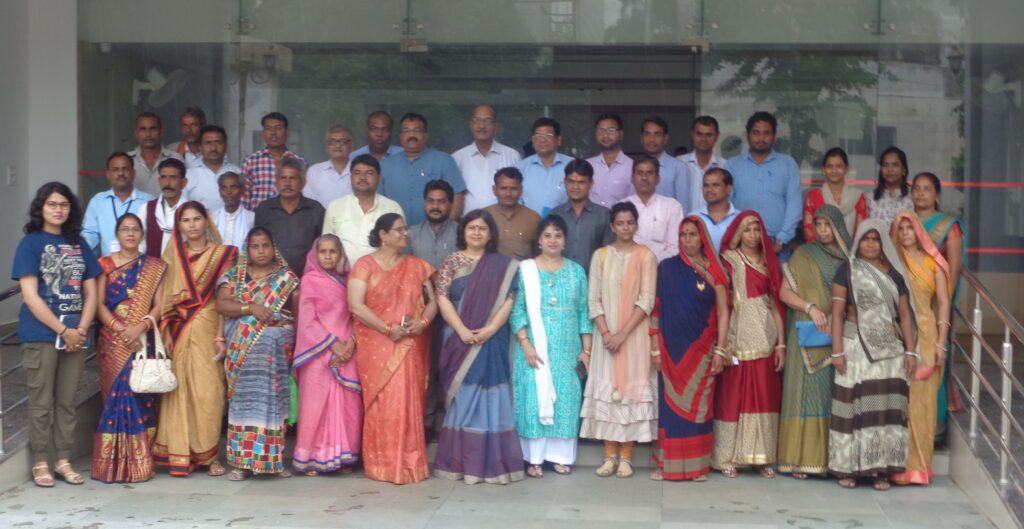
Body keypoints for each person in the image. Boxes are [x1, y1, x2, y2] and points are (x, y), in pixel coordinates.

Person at [13, 182, 101, 487]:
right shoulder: (30, 244)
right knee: (41, 403)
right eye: (52, 204)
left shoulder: (79, 244)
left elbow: (91, 292)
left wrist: (81, 329)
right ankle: (41, 462)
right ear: (41, 208)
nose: (58, 209)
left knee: (67, 400)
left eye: (64, 204)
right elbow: (30, 296)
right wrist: (63, 330)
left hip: (76, 334)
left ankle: (63, 460)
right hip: (40, 334)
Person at [433, 210, 524, 484]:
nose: (476, 233)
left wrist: (491, 329)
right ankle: (460, 464)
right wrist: (461, 330)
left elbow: (509, 300)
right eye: (471, 227)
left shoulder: (504, 265)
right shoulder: (452, 261)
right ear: (463, 231)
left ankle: (493, 465)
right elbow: (441, 297)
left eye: (482, 228)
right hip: (458, 338)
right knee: (463, 397)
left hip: (491, 339)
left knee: (491, 397)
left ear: (490, 234)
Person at [348, 213, 438, 484]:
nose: (405, 234)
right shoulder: (364, 265)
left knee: (407, 400)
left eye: (405, 229)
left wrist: (422, 323)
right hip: (377, 344)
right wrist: (387, 329)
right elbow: (356, 305)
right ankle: (381, 465)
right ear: (383, 235)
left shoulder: (418, 266)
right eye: (399, 230)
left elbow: (432, 302)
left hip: (409, 344)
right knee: (382, 404)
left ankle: (410, 464)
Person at [829, 219, 917, 491]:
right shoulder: (848, 270)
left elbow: (904, 316)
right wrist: (837, 351)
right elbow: (837, 314)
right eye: (865, 239)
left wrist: (910, 351)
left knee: (885, 408)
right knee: (852, 404)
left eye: (875, 239)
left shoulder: (895, 275)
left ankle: (880, 470)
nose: (870, 244)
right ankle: (849, 469)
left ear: (883, 243)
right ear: (858, 241)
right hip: (855, 345)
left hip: (890, 351)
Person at [152, 201, 238, 477]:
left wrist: (220, 336)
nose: (192, 225)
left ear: (206, 221)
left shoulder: (222, 255)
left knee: (209, 393)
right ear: (178, 225)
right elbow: (166, 298)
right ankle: (180, 454)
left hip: (209, 327)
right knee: (179, 392)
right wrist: (165, 332)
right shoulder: (171, 257)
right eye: (186, 220)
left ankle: (210, 456)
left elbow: (225, 297)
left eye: (196, 219)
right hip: (178, 331)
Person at [581, 202, 659, 479]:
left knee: (630, 395)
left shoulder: (646, 256)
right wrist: (606, 334)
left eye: (630, 222)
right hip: (605, 336)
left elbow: (647, 300)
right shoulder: (600, 256)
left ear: (636, 225)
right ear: (612, 226)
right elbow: (593, 300)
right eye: (620, 223)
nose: (625, 228)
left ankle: (626, 457)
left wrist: (622, 335)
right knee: (608, 393)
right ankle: (609, 456)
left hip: (634, 335)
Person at [510, 215, 592, 477]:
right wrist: (525, 344)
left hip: (568, 350)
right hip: (533, 348)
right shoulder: (526, 270)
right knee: (533, 398)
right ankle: (534, 458)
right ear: (539, 241)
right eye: (547, 235)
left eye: (558, 235)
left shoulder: (576, 271)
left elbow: (584, 313)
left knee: (566, 400)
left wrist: (586, 351)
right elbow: (517, 310)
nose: (553, 240)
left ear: (565, 240)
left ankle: (560, 456)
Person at [215, 227, 299, 480]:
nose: (261, 251)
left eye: (266, 245)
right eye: (255, 246)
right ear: (247, 250)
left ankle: (274, 462)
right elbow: (222, 305)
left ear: (274, 248)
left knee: (275, 402)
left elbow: (296, 315)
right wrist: (251, 308)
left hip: (275, 353)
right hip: (242, 351)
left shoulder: (286, 278)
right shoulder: (234, 276)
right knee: (243, 405)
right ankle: (241, 464)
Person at [650, 216, 730, 481]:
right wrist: (655, 349)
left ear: (702, 238)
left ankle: (697, 467)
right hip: (671, 350)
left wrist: (720, 350)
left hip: (704, 350)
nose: (687, 240)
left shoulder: (715, 272)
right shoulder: (667, 268)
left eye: (692, 234)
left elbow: (723, 313)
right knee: (671, 410)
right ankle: (667, 465)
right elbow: (656, 309)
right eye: (683, 234)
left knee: (699, 408)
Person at [91, 213, 167, 483]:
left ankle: (139, 463)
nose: (131, 233)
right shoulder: (104, 264)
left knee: (139, 398)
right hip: (113, 342)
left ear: (142, 234)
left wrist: (140, 327)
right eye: (125, 229)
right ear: (117, 234)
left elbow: (159, 305)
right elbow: (98, 303)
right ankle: (110, 465)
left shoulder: (155, 266)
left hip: (142, 340)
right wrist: (120, 329)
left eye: (135, 229)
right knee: (115, 398)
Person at [776, 204, 851, 479]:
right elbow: (784, 292)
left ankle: (831, 461)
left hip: (837, 334)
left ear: (838, 227)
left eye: (827, 225)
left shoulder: (849, 259)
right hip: (804, 332)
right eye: (817, 225)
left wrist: (836, 316)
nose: (822, 230)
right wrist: (811, 308)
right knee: (804, 394)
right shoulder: (804, 254)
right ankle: (799, 460)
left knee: (832, 395)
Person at [713, 210, 786, 478]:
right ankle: (726, 457)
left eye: (757, 230)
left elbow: (775, 305)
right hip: (736, 335)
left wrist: (781, 344)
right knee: (733, 396)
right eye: (747, 230)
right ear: (738, 233)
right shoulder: (729, 261)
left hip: (764, 336)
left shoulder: (769, 263)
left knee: (763, 396)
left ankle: (762, 457)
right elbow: (721, 304)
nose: (753, 235)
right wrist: (722, 343)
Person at [293, 235, 362, 476]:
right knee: (316, 406)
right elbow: (307, 321)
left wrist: (350, 344)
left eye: (333, 251)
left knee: (346, 405)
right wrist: (333, 345)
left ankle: (343, 457)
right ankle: (312, 459)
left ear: (341, 254)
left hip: (348, 350)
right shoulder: (310, 281)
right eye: (323, 251)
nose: (328, 256)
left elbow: (356, 315)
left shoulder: (350, 281)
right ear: (315, 254)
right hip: (317, 352)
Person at [890, 212, 950, 486]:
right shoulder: (892, 262)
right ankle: (895, 464)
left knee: (922, 402)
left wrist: (941, 342)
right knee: (899, 400)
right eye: (900, 228)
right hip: (897, 336)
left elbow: (944, 303)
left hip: (926, 335)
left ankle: (919, 467)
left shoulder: (932, 262)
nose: (905, 233)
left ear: (918, 231)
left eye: (909, 228)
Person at [912, 171, 965, 444]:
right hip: (909, 304)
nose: (920, 193)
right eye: (916, 188)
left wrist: (943, 304)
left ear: (937, 195)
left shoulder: (949, 226)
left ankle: (935, 426)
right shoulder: (905, 222)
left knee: (934, 361)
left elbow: (953, 269)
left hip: (937, 305)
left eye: (927, 189)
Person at [727, 112, 801, 259]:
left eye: (766, 133)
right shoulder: (732, 165)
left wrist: (782, 240)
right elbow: (727, 207)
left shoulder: (788, 164)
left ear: (774, 136)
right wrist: (736, 239)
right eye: (756, 133)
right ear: (748, 135)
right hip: (742, 246)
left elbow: (794, 207)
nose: (761, 138)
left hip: (778, 247)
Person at [380, 113, 466, 225]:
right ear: (400, 136)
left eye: (417, 130)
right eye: (406, 131)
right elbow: (377, 201)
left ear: (426, 135)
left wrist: (446, 230)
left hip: (436, 233)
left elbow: (457, 198)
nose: (411, 135)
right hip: (394, 233)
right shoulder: (385, 165)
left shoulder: (444, 161)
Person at [323, 154, 404, 263]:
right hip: (343, 273)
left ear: (378, 178)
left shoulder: (393, 208)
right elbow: (326, 245)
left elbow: (400, 247)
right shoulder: (335, 206)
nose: (362, 177)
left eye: (369, 173)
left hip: (383, 272)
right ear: (350, 177)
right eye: (357, 173)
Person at [253, 158, 325, 277]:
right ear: (276, 182)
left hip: (307, 278)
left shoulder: (315, 210)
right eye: (283, 178)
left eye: (293, 178)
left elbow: (322, 246)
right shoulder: (264, 209)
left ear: (303, 183)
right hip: (271, 280)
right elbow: (257, 245)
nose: (287, 183)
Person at [83, 152, 155, 257]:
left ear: (133, 173)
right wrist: (76, 252)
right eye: (115, 169)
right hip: (108, 264)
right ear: (108, 174)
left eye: (125, 169)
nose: (121, 173)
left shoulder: (149, 201)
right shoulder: (98, 201)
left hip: (141, 264)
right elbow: (89, 234)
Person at [452, 105, 522, 212]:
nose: (482, 126)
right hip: (468, 221)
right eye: (477, 120)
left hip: (504, 221)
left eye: (487, 121)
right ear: (471, 125)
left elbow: (520, 192)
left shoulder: (512, 156)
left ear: (496, 127)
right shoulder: (457, 158)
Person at [550, 159, 612, 271]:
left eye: (581, 182)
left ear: (591, 184)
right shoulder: (555, 214)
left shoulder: (604, 215)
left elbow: (609, 254)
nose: (575, 187)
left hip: (593, 279)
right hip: (561, 279)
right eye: (571, 181)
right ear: (565, 182)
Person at [626, 156, 685, 263]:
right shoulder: (622, 206)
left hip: (663, 267)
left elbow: (675, 246)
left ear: (658, 179)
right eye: (640, 173)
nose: (644, 177)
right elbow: (618, 245)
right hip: (627, 267)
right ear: (632, 178)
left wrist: (651, 263)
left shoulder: (672, 206)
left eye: (649, 173)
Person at [241, 112, 306, 209]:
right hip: (258, 217)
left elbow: (304, 194)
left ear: (287, 132)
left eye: (278, 128)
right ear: (263, 133)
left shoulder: (299, 162)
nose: (273, 132)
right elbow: (244, 197)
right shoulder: (250, 162)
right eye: (268, 128)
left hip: (291, 216)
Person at [802, 148, 867, 242]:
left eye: (839, 166)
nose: (834, 170)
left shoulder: (857, 196)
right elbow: (808, 229)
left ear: (846, 169)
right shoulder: (813, 196)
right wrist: (821, 250)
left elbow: (862, 230)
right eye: (829, 166)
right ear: (823, 169)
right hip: (820, 250)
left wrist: (850, 249)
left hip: (851, 249)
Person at [518, 117, 573, 217]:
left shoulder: (572, 165)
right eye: (538, 136)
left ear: (558, 140)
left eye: (548, 135)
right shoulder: (520, 168)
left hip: (565, 225)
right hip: (529, 224)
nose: (542, 140)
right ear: (533, 141)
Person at [484, 167, 542, 260]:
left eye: (514, 189)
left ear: (521, 190)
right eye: (503, 188)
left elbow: (540, 254)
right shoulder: (483, 216)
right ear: (494, 190)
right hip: (489, 268)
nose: (508, 194)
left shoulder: (534, 218)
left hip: (524, 268)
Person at [639, 116, 692, 210]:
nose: (651, 139)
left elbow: (683, 206)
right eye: (647, 134)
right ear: (641, 139)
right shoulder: (635, 167)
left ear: (666, 138)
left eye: (657, 134)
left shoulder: (678, 167)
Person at [184, 125, 241, 211]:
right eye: (208, 143)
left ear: (226, 146)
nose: (213, 148)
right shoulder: (189, 176)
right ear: (200, 147)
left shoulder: (237, 172)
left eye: (218, 142)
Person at [678, 116, 727, 213]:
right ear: (692, 135)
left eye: (709, 135)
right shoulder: (679, 164)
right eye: (699, 134)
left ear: (717, 137)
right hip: (685, 221)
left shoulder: (725, 166)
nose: (703, 139)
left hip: (716, 222)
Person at [129, 112, 184, 196]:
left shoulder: (176, 159)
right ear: (136, 134)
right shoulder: (127, 161)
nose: (148, 134)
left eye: (153, 129)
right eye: (143, 129)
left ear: (161, 132)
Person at [143, 158, 190, 258]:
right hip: (152, 267)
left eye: (173, 178)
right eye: (163, 177)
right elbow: (140, 244)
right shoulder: (147, 208)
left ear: (183, 182)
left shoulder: (192, 211)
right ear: (159, 180)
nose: (167, 183)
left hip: (184, 267)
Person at [587, 113, 634, 208]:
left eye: (611, 130)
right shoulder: (588, 165)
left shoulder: (632, 167)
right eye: (600, 131)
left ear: (621, 134)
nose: (605, 135)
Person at [408, 180, 458, 269]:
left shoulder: (461, 233)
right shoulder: (412, 234)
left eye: (441, 201)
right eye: (430, 201)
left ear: (451, 204)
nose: (435, 206)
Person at [304, 125, 355, 208]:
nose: (337, 146)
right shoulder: (314, 171)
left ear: (351, 146)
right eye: (332, 142)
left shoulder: (359, 171)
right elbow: (308, 204)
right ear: (326, 147)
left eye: (342, 141)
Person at [694, 168, 739, 252]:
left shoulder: (740, 219)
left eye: (715, 185)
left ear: (729, 189)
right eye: (706, 185)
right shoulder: (693, 218)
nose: (709, 189)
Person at [866, 146, 913, 223]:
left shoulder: (913, 196)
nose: (890, 169)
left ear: (904, 170)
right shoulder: (870, 198)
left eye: (895, 165)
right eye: (885, 165)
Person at [210, 172, 254, 249]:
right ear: (220, 192)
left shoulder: (251, 218)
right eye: (224, 188)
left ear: (242, 190)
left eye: (233, 187)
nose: (229, 192)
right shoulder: (212, 218)